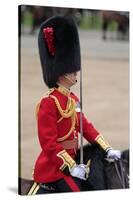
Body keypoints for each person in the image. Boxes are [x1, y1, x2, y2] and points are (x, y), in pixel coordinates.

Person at [28, 16, 121, 195]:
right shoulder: (49, 102)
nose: (75, 71)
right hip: (54, 169)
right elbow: (49, 143)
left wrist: (106, 148)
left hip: (74, 161)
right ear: (59, 72)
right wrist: (70, 166)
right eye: (71, 69)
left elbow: (85, 126)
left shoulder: (72, 98)